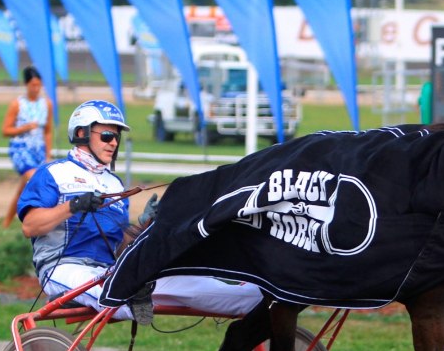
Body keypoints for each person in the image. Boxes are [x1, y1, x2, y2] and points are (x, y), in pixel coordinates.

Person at [17, 99, 263, 322]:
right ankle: (133, 293)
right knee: (120, 295)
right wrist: (74, 205)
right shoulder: (53, 174)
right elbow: (30, 226)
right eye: (106, 135)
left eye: (116, 138)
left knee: (218, 291)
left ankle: (256, 294)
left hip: (110, 271)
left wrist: (144, 226)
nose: (113, 143)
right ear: (81, 133)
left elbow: (120, 248)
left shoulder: (113, 185)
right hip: (64, 269)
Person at [2, 65, 54, 228]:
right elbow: (6, 130)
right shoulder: (17, 104)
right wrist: (24, 128)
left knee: (26, 186)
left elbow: (47, 131)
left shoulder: (47, 104)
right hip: (21, 148)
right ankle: (30, 219)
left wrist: (48, 153)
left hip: (38, 149)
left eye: (39, 85)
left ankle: (7, 222)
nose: (36, 89)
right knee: (31, 178)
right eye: (33, 85)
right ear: (26, 85)